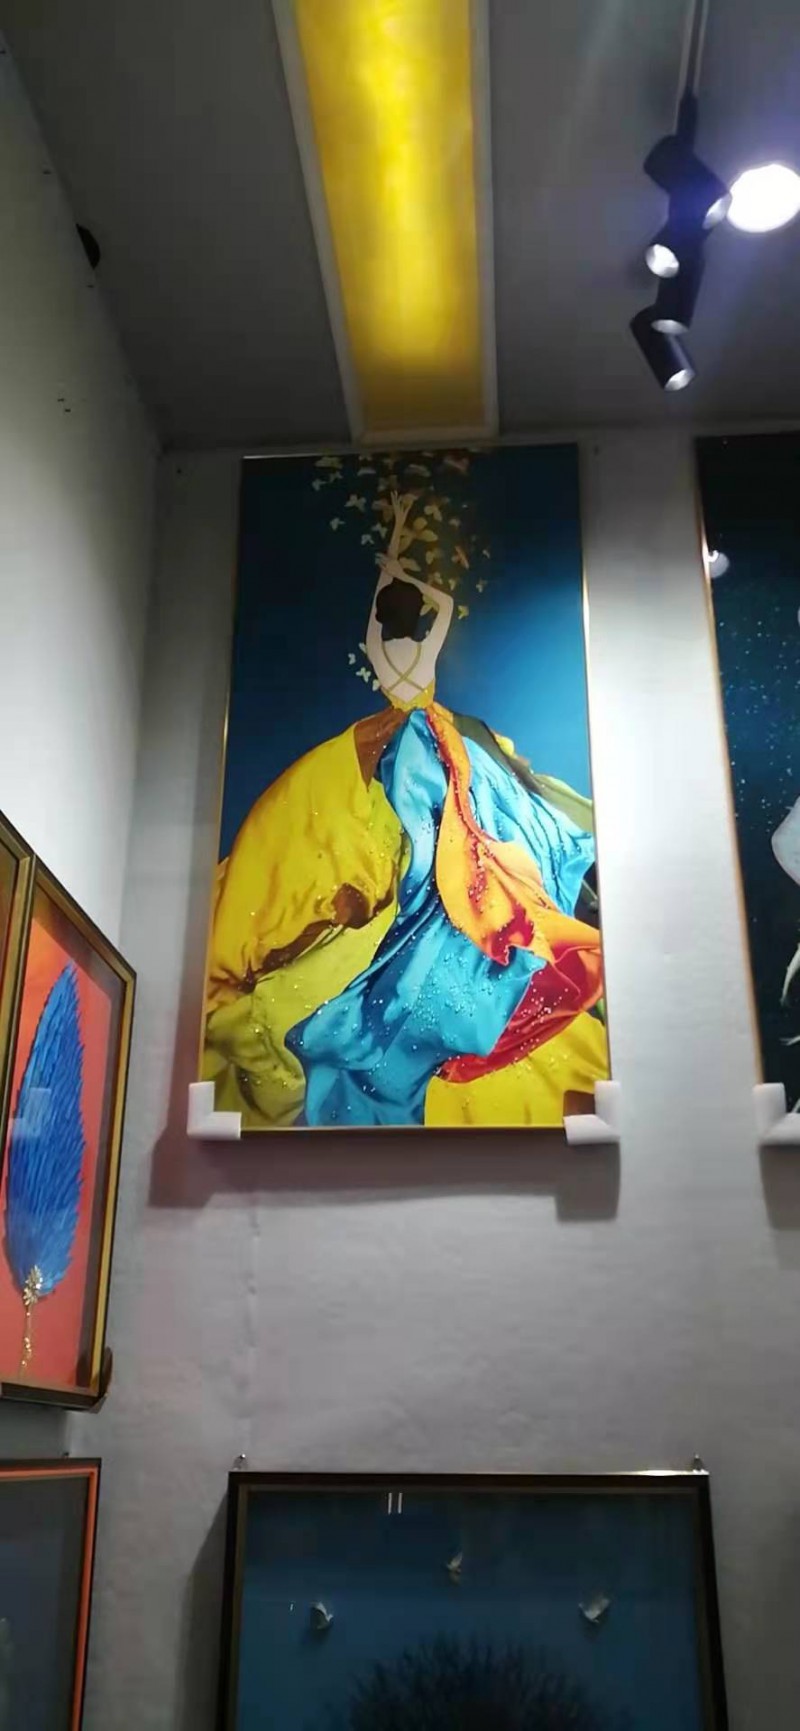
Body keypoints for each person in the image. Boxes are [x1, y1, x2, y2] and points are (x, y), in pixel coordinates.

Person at [203, 494, 608, 1128]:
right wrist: (404, 566)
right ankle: (440, 900)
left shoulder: (386, 645)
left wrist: (395, 555)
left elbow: (396, 612)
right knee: (431, 829)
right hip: (416, 741)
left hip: (424, 738)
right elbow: (423, 612)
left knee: (445, 821)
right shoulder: (411, 642)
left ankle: (450, 897)